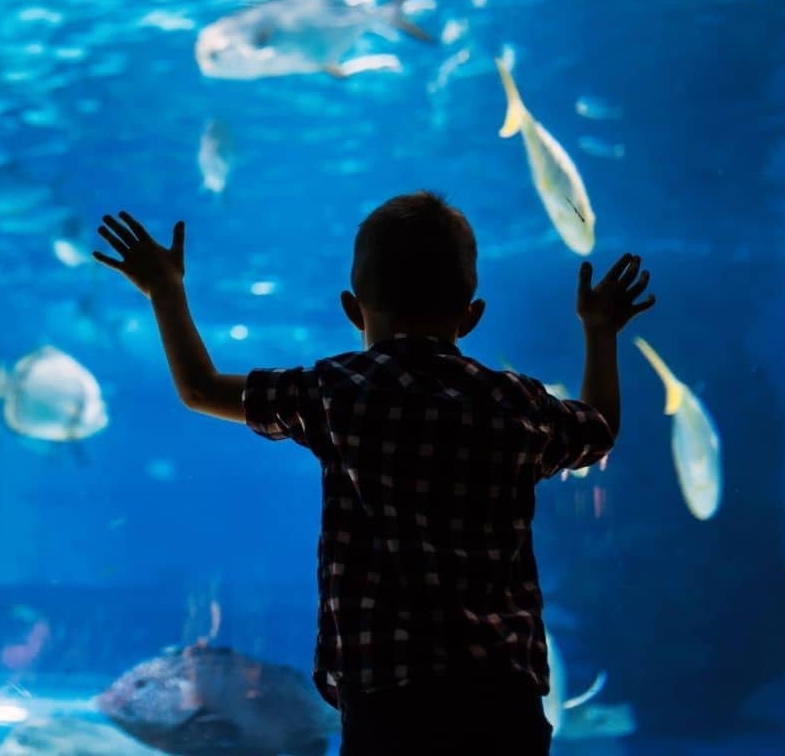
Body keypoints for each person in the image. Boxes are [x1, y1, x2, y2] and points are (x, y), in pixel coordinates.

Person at [92, 192, 654, 756]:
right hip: (501, 694)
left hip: (386, 693)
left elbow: (200, 388)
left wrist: (165, 289)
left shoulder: (338, 393)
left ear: (353, 309)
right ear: (472, 315)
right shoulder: (515, 403)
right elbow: (598, 428)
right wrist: (600, 330)